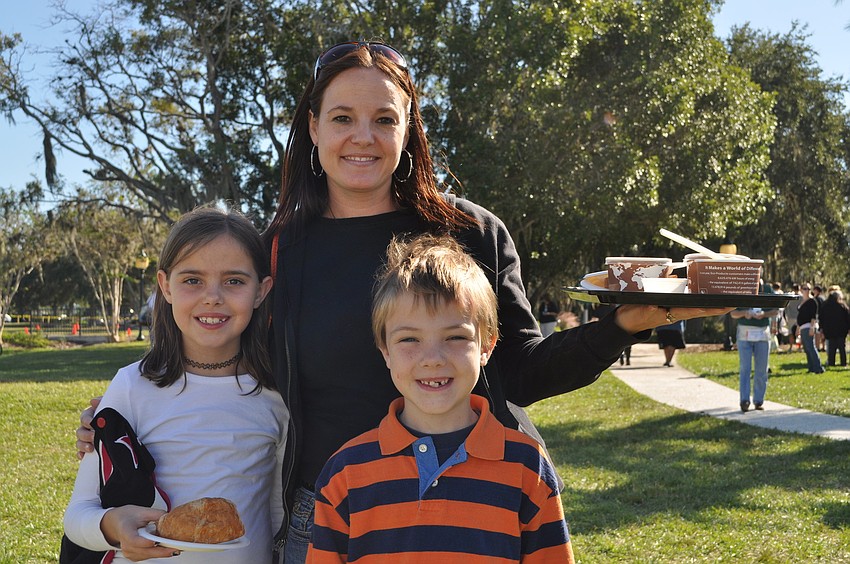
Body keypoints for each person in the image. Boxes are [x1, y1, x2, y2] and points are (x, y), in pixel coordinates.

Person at [76, 41, 730, 563]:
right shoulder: (276, 249)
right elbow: (224, 357)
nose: (362, 136)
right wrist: (122, 420)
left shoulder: (470, 232)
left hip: (476, 499)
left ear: (408, 128)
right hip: (330, 514)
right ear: (311, 128)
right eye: (341, 118)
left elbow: (522, 371)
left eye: (384, 118)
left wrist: (621, 325)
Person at [307, 234, 574, 562]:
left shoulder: (527, 467)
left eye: (455, 337)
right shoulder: (344, 473)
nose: (432, 358)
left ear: (487, 346)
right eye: (410, 339)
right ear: (385, 350)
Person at [63, 206, 287, 563]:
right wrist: (113, 527)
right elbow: (78, 515)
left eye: (234, 281)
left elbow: (275, 517)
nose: (212, 296)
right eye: (192, 280)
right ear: (165, 286)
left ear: (261, 291)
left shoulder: (276, 395)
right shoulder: (131, 387)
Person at [731, 282, 780, 412]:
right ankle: (744, 400)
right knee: (745, 368)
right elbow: (733, 313)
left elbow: (776, 310)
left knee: (761, 369)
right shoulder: (740, 288)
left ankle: (758, 400)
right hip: (744, 333)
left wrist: (764, 314)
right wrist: (744, 313)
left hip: (762, 333)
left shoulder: (767, 289)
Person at [797, 284, 825, 374]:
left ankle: (818, 367)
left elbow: (813, 316)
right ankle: (811, 367)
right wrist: (798, 327)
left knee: (811, 347)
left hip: (808, 326)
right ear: (801, 290)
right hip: (802, 326)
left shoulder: (812, 301)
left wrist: (812, 328)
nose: (807, 290)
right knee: (807, 348)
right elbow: (800, 316)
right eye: (805, 289)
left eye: (808, 289)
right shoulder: (802, 301)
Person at [819, 290, 850, 367]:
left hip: (829, 331)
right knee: (842, 348)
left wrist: (822, 328)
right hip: (841, 331)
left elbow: (821, 318)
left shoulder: (825, 306)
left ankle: (831, 362)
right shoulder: (842, 306)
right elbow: (848, 318)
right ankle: (843, 363)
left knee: (831, 349)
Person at [784, 283, 801, 352]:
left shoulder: (791, 297)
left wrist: (787, 316)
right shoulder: (801, 297)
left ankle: (791, 347)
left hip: (791, 317)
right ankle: (799, 347)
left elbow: (787, 308)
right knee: (799, 333)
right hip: (799, 317)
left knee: (791, 333)